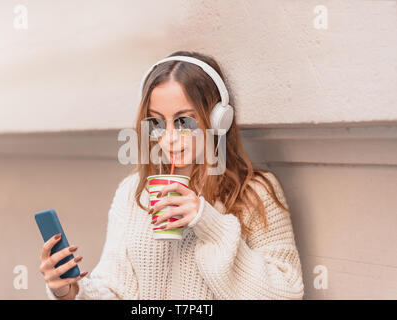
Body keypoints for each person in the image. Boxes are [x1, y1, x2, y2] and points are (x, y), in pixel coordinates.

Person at [39, 50, 304, 299]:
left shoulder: (255, 192)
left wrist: (207, 221)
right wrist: (70, 292)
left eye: (184, 122)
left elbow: (286, 292)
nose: (169, 138)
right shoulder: (133, 193)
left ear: (218, 119)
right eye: (156, 122)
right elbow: (114, 288)